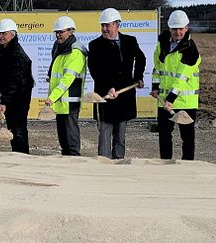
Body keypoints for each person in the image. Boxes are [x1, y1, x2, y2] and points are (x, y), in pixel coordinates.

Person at [88, 8, 146, 159]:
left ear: (117, 25)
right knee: (105, 133)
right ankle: (104, 163)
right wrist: (109, 87)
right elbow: (95, 70)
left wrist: (138, 77)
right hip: (105, 96)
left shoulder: (130, 41)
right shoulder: (95, 45)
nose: (104, 29)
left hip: (124, 96)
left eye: (108, 25)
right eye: (102, 25)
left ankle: (119, 164)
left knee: (120, 134)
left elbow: (141, 58)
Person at [150, 10, 201, 160]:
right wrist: (155, 87)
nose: (178, 32)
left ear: (186, 27)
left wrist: (171, 98)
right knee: (164, 135)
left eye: (181, 28)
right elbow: (157, 67)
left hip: (185, 102)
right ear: (169, 28)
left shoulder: (191, 50)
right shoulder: (162, 45)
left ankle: (188, 166)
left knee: (187, 138)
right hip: (164, 100)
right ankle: (165, 165)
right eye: (174, 28)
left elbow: (182, 78)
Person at [46, 16, 88, 156]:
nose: (58, 35)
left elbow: (67, 80)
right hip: (60, 102)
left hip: (70, 102)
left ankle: (75, 166)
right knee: (64, 143)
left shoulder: (75, 52)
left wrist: (52, 97)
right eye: (56, 32)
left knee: (71, 144)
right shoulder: (59, 47)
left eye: (61, 32)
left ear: (70, 31)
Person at [0, 18, 35, 154]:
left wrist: (5, 100)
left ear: (13, 34)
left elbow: (16, 81)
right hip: (10, 95)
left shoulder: (16, 53)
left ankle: (22, 156)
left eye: (4, 33)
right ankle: (17, 153)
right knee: (13, 127)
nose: (1, 36)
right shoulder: (2, 50)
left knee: (18, 129)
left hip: (19, 99)